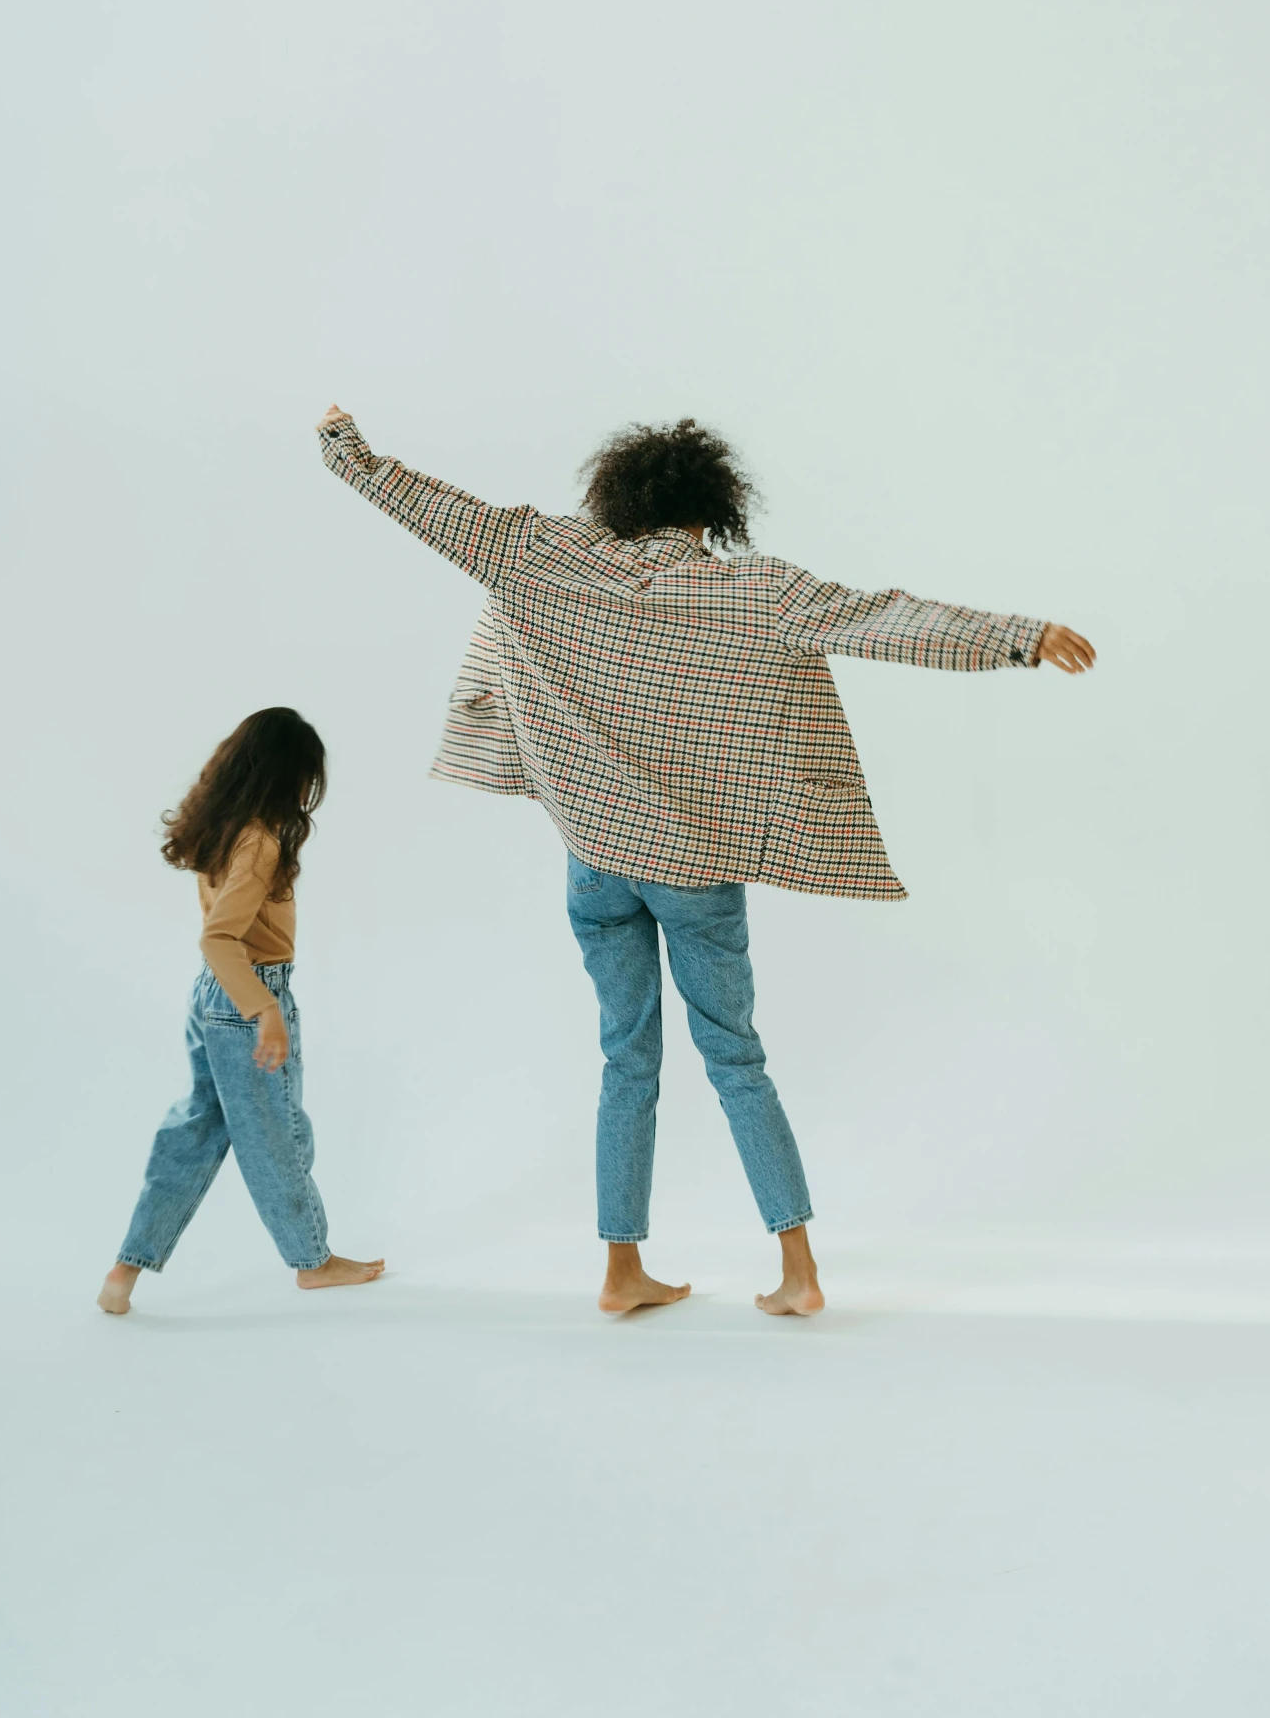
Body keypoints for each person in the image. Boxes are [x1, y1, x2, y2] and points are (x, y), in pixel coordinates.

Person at [316, 408, 1095, 1320]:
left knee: (625, 1060)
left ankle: (620, 1272)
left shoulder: (538, 556)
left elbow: (420, 504)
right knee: (734, 1057)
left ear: (618, 498)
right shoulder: (753, 591)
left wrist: (344, 446)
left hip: (594, 859)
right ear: (709, 512)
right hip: (691, 865)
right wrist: (1017, 636)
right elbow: (881, 619)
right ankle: (797, 1273)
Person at [97, 707, 384, 1314]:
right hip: (246, 995)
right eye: (307, 776)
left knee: (194, 1133)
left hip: (211, 997)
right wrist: (264, 1010)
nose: (310, 789)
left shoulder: (225, 827)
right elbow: (220, 938)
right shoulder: (259, 840)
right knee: (277, 1138)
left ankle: (126, 1269)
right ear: (286, 774)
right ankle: (313, 1262)